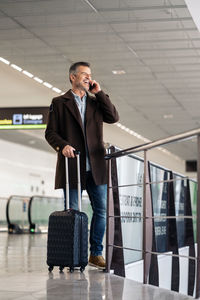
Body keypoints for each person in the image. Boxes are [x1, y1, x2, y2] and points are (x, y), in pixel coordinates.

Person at [45, 61, 119, 269]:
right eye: (84, 74)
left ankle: (95, 254)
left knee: (102, 210)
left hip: (95, 166)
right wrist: (63, 146)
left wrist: (100, 93)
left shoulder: (96, 103)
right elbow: (50, 133)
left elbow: (113, 117)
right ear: (73, 77)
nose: (88, 77)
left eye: (90, 75)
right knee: (73, 212)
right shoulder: (59, 102)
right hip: (72, 166)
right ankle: (75, 255)